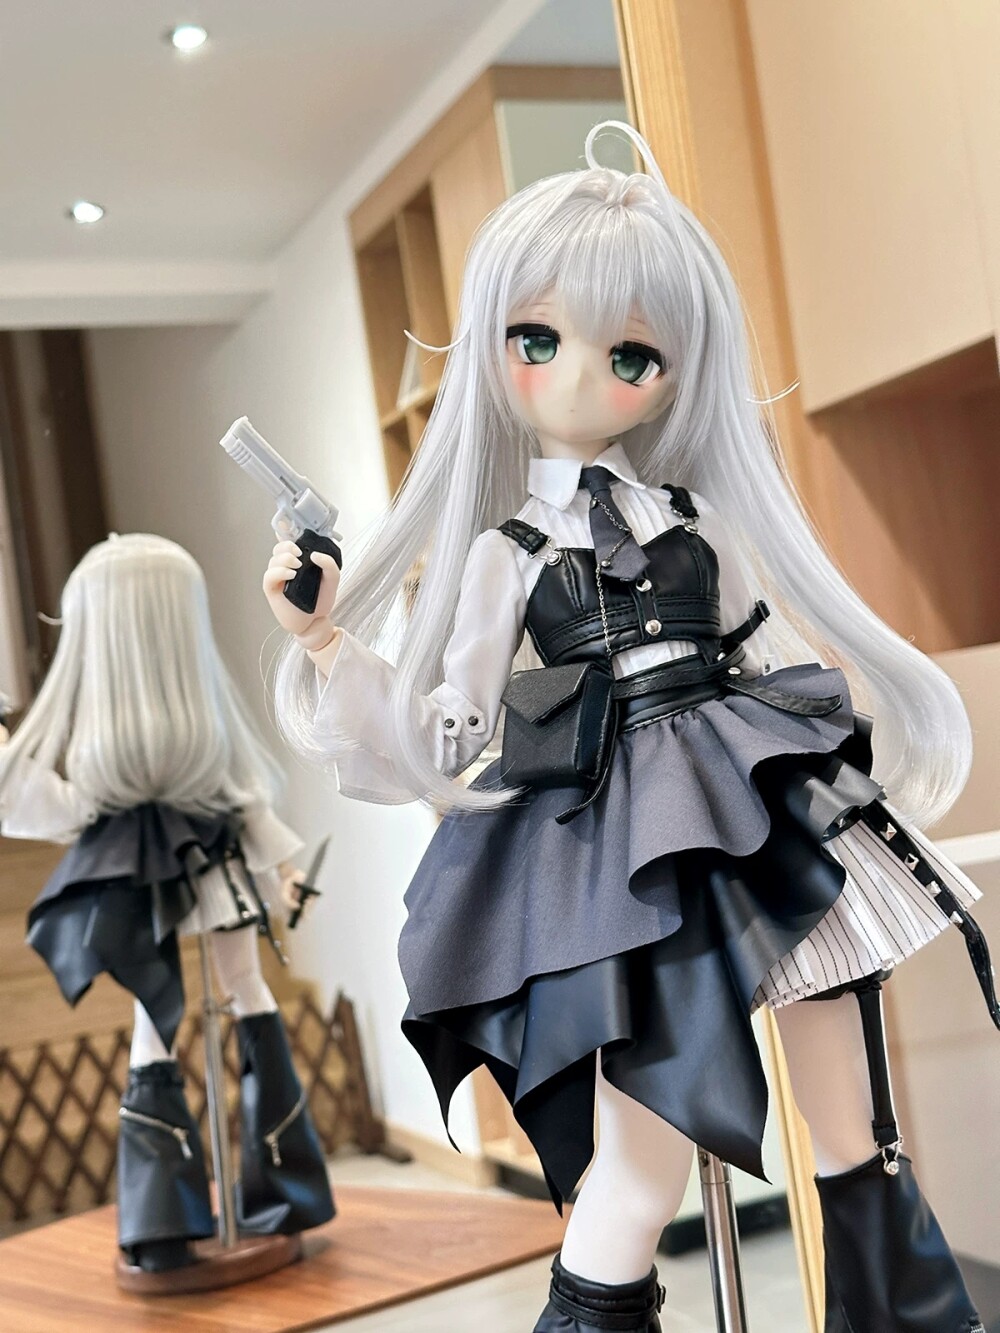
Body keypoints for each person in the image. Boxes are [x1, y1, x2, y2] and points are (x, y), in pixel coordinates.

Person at [264, 123, 994, 1332]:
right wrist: (328, 642)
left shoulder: (693, 511)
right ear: (496, 348)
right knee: (638, 1170)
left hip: (753, 799)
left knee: (852, 1131)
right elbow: (448, 728)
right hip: (623, 851)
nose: (578, 379)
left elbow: (761, 643)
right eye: (536, 341)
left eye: (631, 354)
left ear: (672, 368)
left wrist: (839, 755)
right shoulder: (505, 554)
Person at [0, 533, 334, 1274]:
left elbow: (246, 808)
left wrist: (283, 875)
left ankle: (263, 1191)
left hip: (212, 871)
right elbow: (45, 803)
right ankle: (165, 1212)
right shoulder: (115, 763)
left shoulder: (200, 744)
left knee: (236, 992)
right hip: (151, 876)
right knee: (162, 1012)